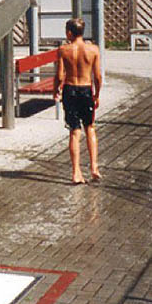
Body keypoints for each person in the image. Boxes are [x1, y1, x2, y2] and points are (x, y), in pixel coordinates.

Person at [53, 18, 102, 184]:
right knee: (90, 128)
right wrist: (97, 94)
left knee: (74, 131)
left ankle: (76, 172)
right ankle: (94, 167)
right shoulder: (93, 49)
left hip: (70, 90)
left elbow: (60, 75)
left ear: (69, 33)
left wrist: (56, 91)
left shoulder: (63, 50)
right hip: (86, 89)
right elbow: (98, 76)